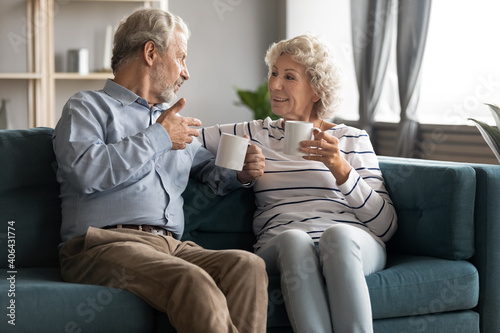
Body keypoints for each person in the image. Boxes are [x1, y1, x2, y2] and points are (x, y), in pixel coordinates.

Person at [52, 8, 268, 333]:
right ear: (151, 53)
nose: (186, 73)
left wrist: (240, 173)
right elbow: (85, 171)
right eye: (181, 58)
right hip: (102, 245)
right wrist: (158, 137)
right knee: (191, 282)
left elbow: (207, 171)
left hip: (170, 246)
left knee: (247, 265)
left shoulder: (171, 121)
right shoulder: (86, 107)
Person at [199, 34, 398, 333]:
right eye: (274, 73)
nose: (274, 85)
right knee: (294, 239)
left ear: (316, 90)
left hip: (352, 242)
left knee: (338, 237)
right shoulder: (253, 133)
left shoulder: (352, 139)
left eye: (289, 76)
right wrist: (235, 173)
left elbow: (385, 227)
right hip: (280, 245)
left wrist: (340, 168)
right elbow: (185, 140)